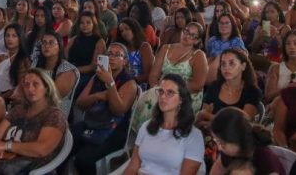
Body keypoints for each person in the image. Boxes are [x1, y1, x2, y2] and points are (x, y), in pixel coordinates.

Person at [0, 69, 67, 173]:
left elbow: (42, 149)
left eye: (35, 84)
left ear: (46, 88)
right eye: (26, 85)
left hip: (33, 168)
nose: (30, 89)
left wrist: (6, 146)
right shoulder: (18, 110)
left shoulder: (54, 115)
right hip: (4, 160)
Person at [72, 42, 138, 173]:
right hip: (93, 123)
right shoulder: (97, 77)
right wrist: (98, 96)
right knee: (65, 140)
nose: (112, 58)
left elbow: (118, 110)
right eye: (109, 54)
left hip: (114, 130)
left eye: (117, 55)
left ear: (124, 61)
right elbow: (80, 103)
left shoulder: (129, 82)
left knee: (83, 159)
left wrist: (110, 83)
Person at [123, 74, 204, 175]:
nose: (163, 97)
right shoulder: (146, 126)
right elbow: (133, 166)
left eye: (170, 92)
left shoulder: (194, 136)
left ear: (181, 99)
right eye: (161, 91)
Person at [208, 107, 286, 175]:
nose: (219, 148)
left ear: (238, 140)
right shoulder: (228, 153)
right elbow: (218, 168)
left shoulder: (265, 158)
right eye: (216, 142)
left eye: (222, 144)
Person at [197, 48, 262, 126]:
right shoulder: (214, 86)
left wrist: (211, 118)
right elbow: (202, 118)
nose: (226, 68)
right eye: (223, 64)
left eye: (231, 63)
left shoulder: (252, 91)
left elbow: (242, 124)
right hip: (209, 133)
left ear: (243, 66)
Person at [32, 30, 79, 117]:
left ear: (60, 47)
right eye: (44, 42)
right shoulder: (36, 63)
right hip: (33, 110)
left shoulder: (67, 70)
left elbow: (52, 98)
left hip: (54, 118)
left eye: (51, 43)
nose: (47, 46)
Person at [265, 30, 296, 102]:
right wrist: (287, 89)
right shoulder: (276, 68)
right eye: (288, 44)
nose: (292, 47)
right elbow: (268, 97)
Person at [0, 23, 30, 101]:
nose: (9, 39)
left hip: (9, 99)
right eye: (7, 35)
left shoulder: (22, 60)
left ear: (20, 38)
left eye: (14, 36)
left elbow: (20, 85)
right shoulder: (1, 57)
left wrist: (1, 97)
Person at [116, 18, 155, 87]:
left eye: (127, 29)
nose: (124, 33)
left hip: (138, 84)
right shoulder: (121, 47)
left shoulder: (144, 47)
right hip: (120, 82)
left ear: (134, 29)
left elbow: (148, 74)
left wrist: (130, 82)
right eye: (121, 31)